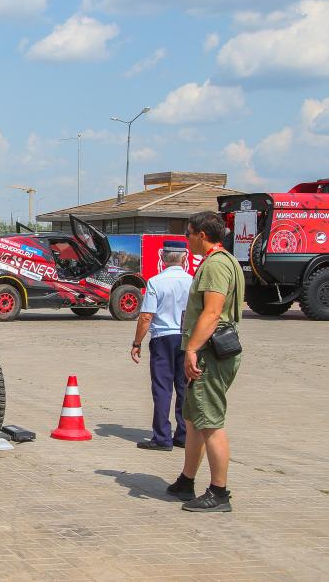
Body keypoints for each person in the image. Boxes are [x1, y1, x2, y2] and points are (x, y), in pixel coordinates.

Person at [167, 211, 244, 513]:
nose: (186, 239)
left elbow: (212, 312)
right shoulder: (224, 261)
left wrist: (191, 350)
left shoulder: (215, 266)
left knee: (210, 422)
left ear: (202, 234)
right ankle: (187, 480)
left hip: (210, 353)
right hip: (208, 351)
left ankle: (219, 492)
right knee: (194, 418)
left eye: (188, 233)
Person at [130, 240, 193, 451]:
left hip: (163, 338)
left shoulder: (156, 282)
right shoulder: (192, 281)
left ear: (163, 258)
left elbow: (146, 316)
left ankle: (162, 437)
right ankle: (183, 435)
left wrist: (136, 343)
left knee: (162, 388)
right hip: (186, 337)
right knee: (184, 388)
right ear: (184, 257)